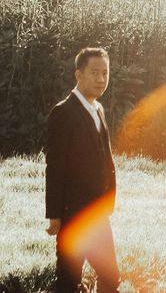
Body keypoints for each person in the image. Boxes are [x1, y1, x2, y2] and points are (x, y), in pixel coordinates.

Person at [45, 47, 120, 293]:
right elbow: (55, 166)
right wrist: (54, 214)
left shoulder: (98, 109)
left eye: (105, 73)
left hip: (97, 214)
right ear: (79, 75)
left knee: (110, 277)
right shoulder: (63, 112)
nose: (101, 79)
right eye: (94, 73)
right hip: (73, 215)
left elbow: (104, 159)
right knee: (68, 281)